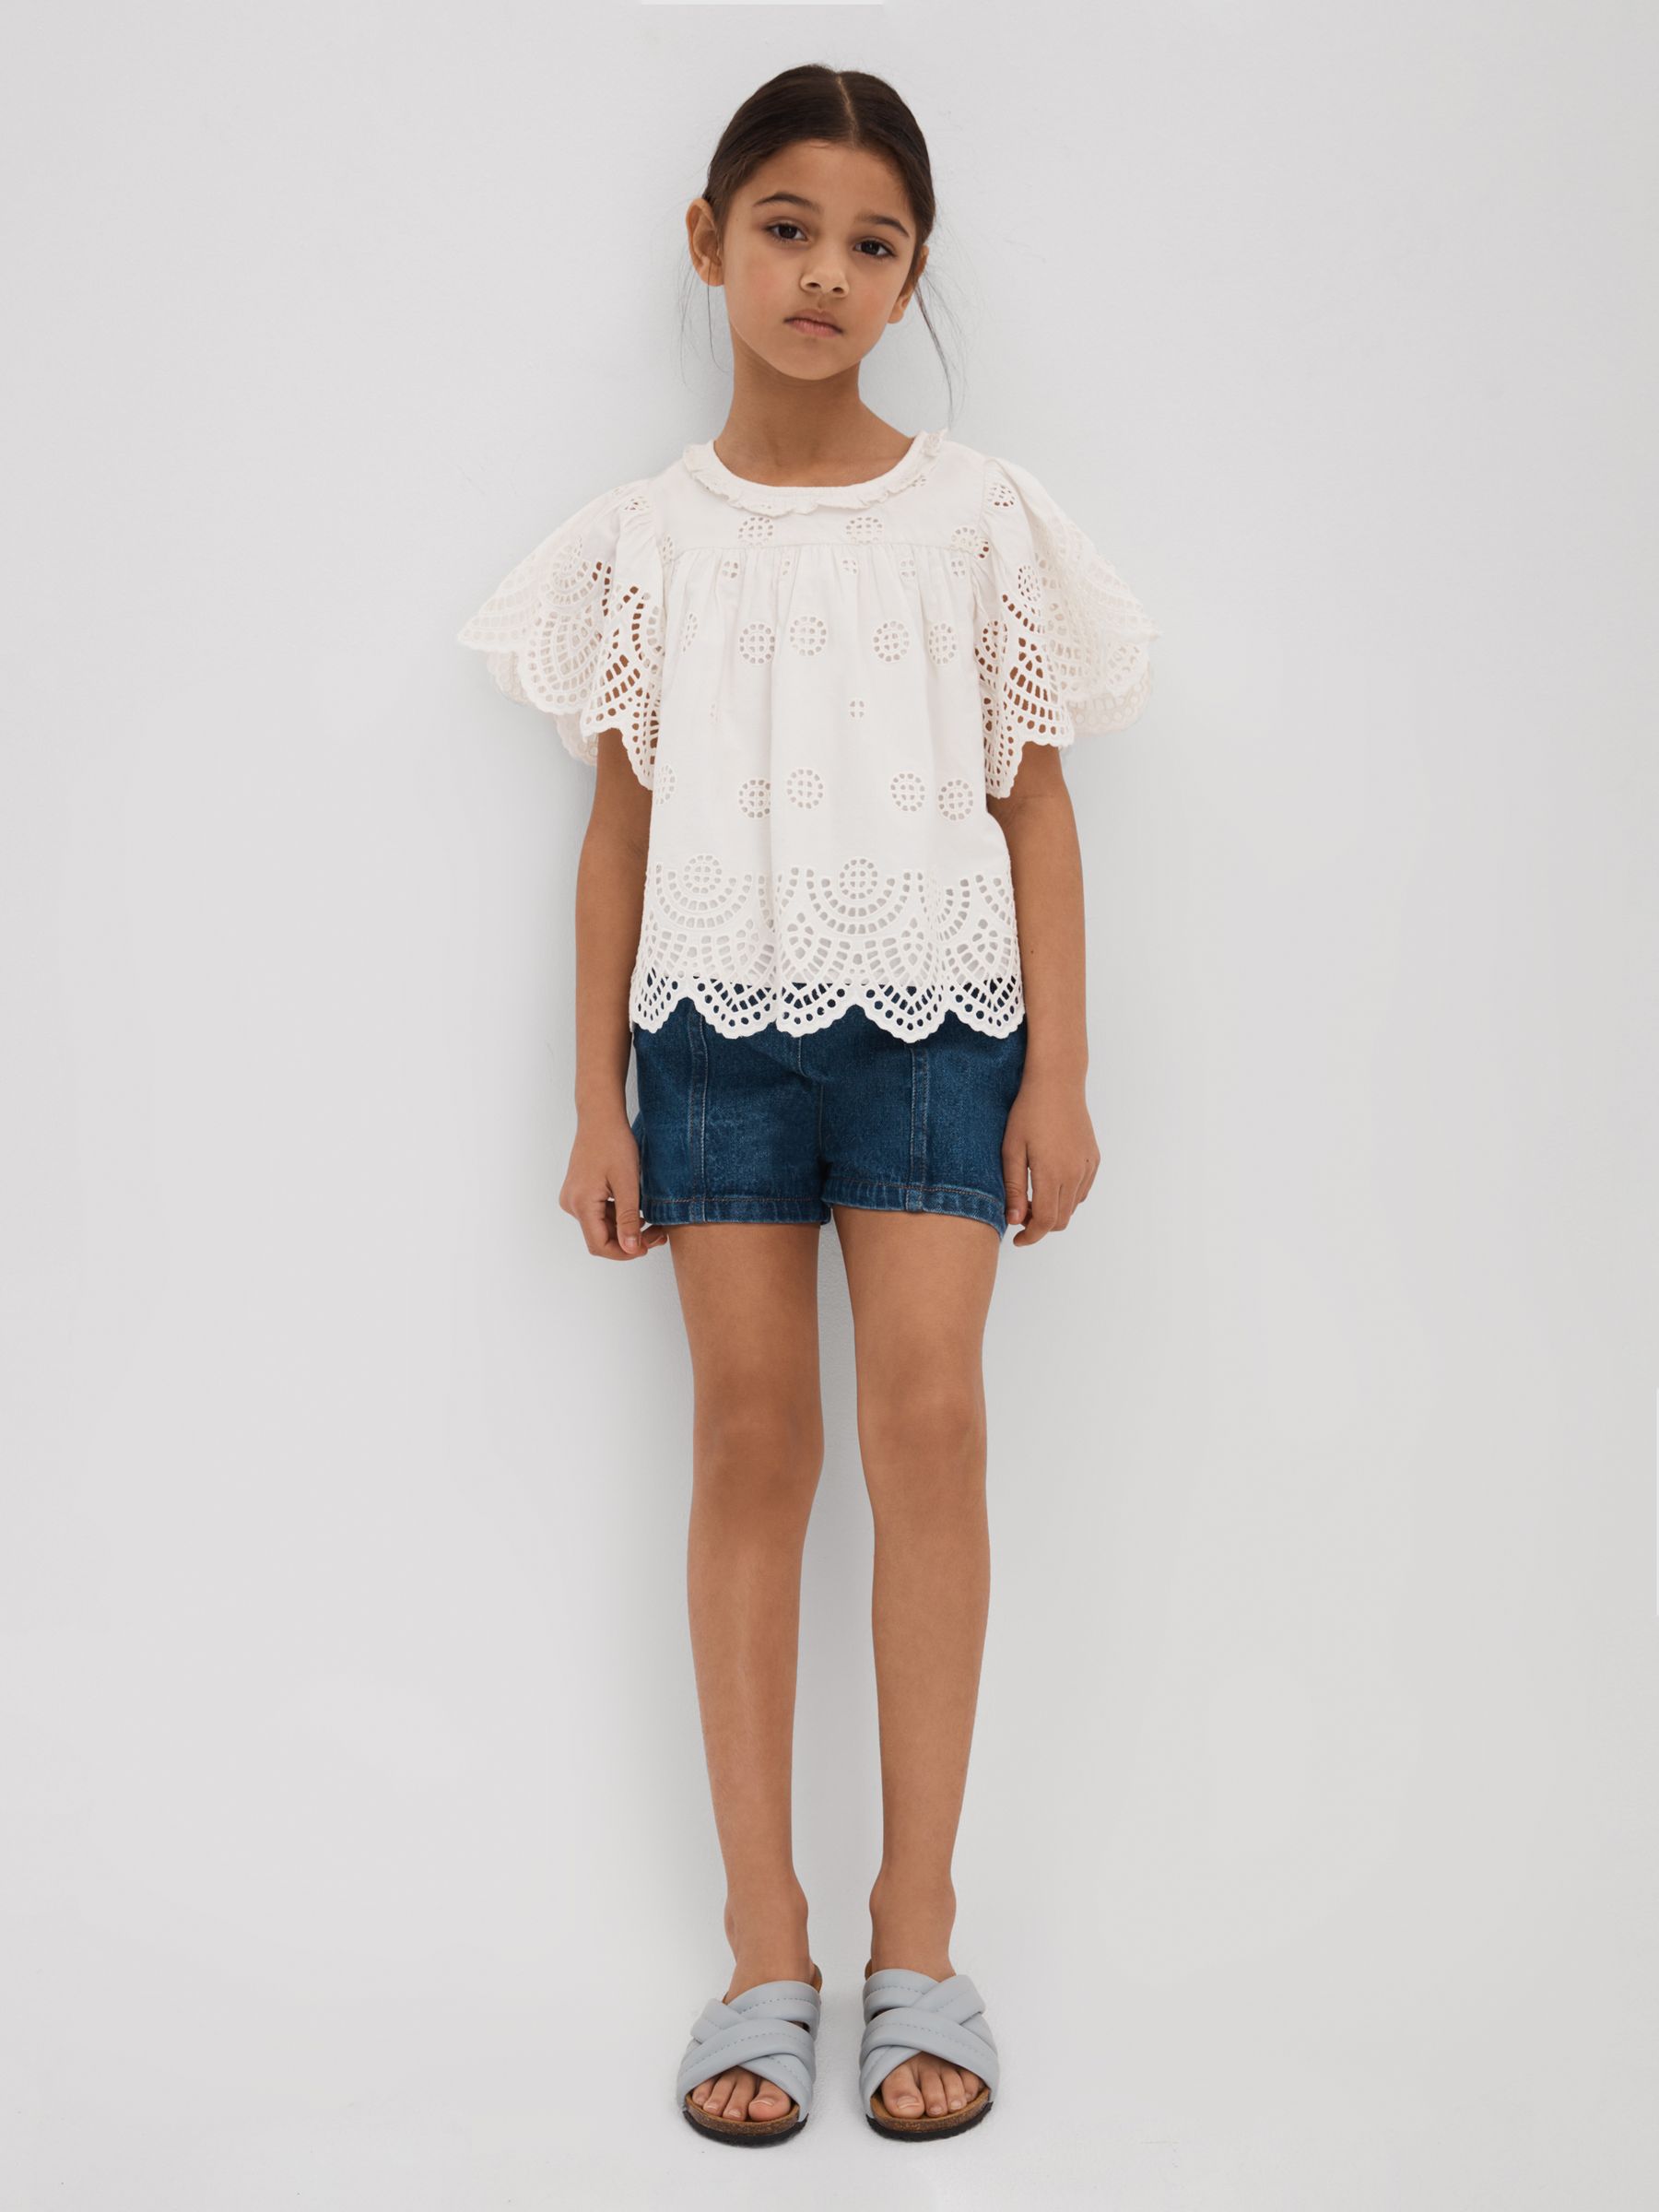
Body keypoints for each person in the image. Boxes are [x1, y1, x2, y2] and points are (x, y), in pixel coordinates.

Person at [457, 63, 1159, 2147]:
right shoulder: (646, 542)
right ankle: (763, 1945)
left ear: (912, 276)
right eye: (786, 228)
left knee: (930, 1429)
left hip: (940, 1025)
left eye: (872, 243)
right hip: (709, 1041)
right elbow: (616, 833)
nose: (825, 274)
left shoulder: (979, 522)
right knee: (750, 1445)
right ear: (709, 242)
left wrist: (1063, 1072)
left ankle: (914, 1924)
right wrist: (595, 1101)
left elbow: (1038, 806)